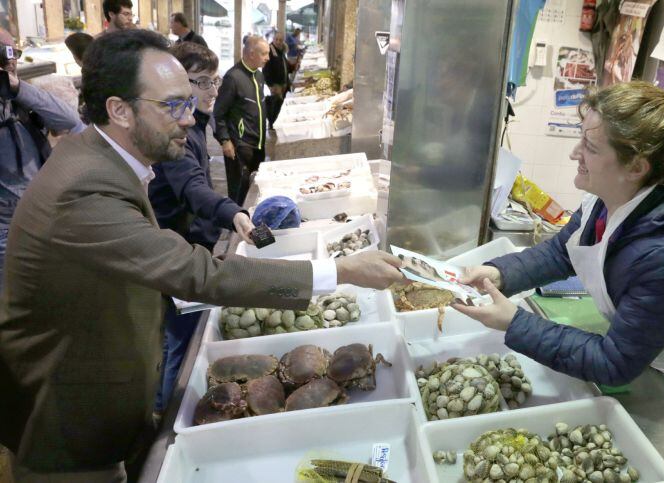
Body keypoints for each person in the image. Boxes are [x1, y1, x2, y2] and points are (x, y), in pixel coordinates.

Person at [0, 29, 404, 482]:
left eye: (188, 101)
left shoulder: (102, 159)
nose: (190, 118)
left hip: (105, 409)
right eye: (173, 105)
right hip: (66, 428)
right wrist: (341, 270)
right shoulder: (83, 187)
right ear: (120, 110)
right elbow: (193, 271)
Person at [454, 78, 664, 435]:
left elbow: (614, 362)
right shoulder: (612, 198)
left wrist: (514, 322)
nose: (575, 154)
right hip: (657, 345)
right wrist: (498, 274)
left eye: (589, 146)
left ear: (636, 167)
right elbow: (563, 251)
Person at [148, 42, 248, 415]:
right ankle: (167, 415)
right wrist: (231, 212)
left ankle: (163, 408)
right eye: (202, 82)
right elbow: (192, 187)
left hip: (188, 243)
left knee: (177, 335)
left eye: (214, 80)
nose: (212, 90)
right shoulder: (175, 137)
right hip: (178, 248)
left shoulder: (192, 127)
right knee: (180, 336)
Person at [0, 28, 84, 290]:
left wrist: (17, 87)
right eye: (4, 53)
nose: (9, 60)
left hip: (39, 219)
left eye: (14, 53)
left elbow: (71, 121)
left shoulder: (20, 101)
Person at [213, 35, 269, 205]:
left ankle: (250, 220)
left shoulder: (259, 76)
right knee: (239, 189)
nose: (267, 58)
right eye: (264, 54)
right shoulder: (233, 78)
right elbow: (219, 112)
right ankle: (235, 224)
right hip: (240, 144)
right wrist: (225, 140)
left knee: (254, 188)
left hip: (258, 143)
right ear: (252, 54)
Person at [263, 30, 290, 129]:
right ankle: (271, 123)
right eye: (276, 39)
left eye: (281, 40)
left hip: (281, 83)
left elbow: (283, 66)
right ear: (273, 39)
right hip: (275, 84)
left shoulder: (280, 50)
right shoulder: (270, 51)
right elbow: (265, 69)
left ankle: (272, 122)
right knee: (275, 103)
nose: (278, 42)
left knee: (278, 103)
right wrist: (270, 85)